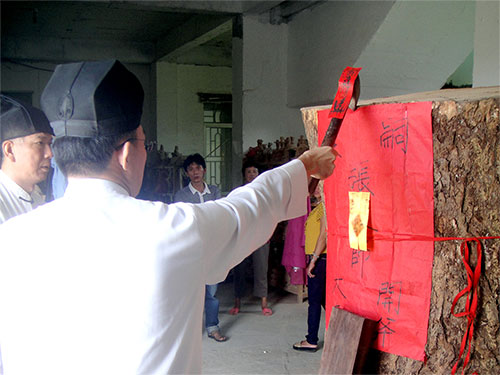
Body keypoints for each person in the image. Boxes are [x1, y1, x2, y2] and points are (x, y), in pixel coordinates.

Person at [0, 59, 336, 375]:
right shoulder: (170, 231)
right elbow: (246, 209)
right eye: (145, 144)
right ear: (127, 153)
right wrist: (304, 166)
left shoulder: (11, 238)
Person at [173, 153, 227, 343]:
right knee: (190, 293)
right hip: (191, 250)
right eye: (191, 169)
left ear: (204, 170)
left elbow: (220, 215)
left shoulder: (214, 191)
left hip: (212, 249)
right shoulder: (181, 195)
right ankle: (189, 331)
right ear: (187, 173)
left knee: (211, 292)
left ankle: (212, 327)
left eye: (198, 168)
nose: (195, 172)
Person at [0, 95, 54, 224]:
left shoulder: (36, 195)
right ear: (9, 150)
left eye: (50, 144)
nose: (50, 154)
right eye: (40, 143)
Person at [229, 160, 272, 316]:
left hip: (261, 234)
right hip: (242, 235)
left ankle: (264, 302)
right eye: (249, 172)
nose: (252, 174)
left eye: (254, 171)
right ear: (244, 175)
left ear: (259, 174)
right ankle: (237, 301)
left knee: (261, 268)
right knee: (238, 268)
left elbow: (270, 214)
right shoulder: (238, 192)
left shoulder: (266, 193)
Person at [293, 185, 327, 352]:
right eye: (316, 186)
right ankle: (340, 334)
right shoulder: (319, 207)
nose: (316, 190)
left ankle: (311, 340)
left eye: (320, 186)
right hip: (318, 258)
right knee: (324, 300)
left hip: (320, 259)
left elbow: (324, 234)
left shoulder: (325, 207)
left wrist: (313, 259)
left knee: (314, 301)